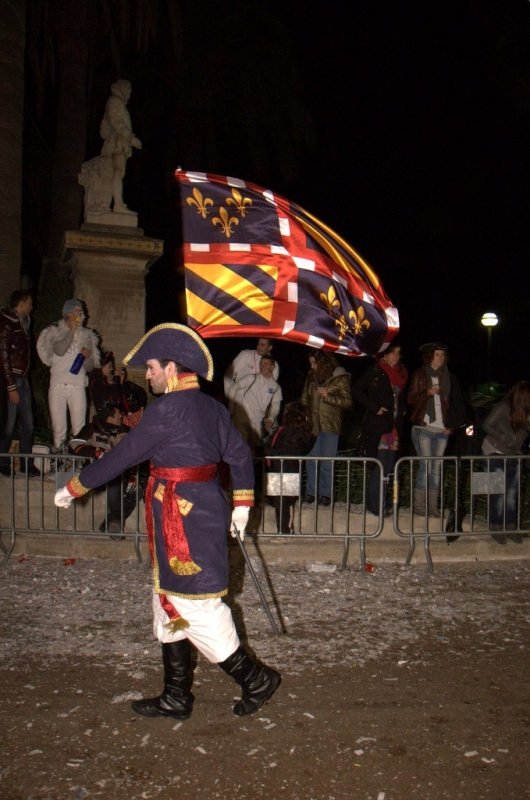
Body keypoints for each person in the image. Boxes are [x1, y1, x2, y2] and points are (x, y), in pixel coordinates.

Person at [54, 323, 280, 721]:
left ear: (173, 368)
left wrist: (75, 486)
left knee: (200, 607)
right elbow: (241, 456)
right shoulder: (212, 406)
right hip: (199, 511)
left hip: (185, 521)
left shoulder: (166, 409)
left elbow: (123, 457)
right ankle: (176, 696)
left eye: (154, 368)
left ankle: (256, 678)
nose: (150, 375)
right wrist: (242, 505)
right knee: (170, 602)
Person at [407, 342, 466, 517]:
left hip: (442, 430)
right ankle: (419, 506)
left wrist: (452, 427)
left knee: (436, 468)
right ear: (430, 356)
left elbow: (456, 405)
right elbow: (410, 399)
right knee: (425, 466)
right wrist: (427, 393)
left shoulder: (449, 376)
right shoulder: (419, 374)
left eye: (442, 355)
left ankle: (433, 507)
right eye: (437, 354)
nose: (440, 358)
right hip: (423, 427)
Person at [352, 342, 408, 515]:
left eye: (398, 353)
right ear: (384, 354)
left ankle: (381, 503)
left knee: (390, 467)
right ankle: (375, 506)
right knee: (380, 467)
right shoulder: (376, 370)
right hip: (379, 427)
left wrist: (403, 410)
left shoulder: (402, 373)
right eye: (393, 353)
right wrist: (374, 407)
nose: (396, 356)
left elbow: (399, 399)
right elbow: (356, 390)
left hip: (394, 427)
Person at [37, 300, 100, 450]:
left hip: (77, 386)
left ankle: (77, 463)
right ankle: (60, 462)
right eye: (78, 312)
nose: (82, 316)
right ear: (69, 314)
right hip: (57, 386)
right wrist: (71, 331)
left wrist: (86, 357)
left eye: (82, 312)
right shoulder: (54, 332)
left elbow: (90, 366)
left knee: (79, 429)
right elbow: (59, 350)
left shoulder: (86, 336)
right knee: (59, 430)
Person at [68, 404, 136, 536]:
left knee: (137, 490)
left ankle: (110, 524)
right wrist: (97, 452)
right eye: (118, 414)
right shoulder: (92, 428)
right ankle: (114, 526)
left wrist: (133, 476)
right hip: (97, 473)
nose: (122, 416)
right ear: (109, 418)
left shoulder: (125, 430)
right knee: (114, 477)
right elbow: (74, 443)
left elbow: (133, 454)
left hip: (121, 474)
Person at [301, 350, 352, 506]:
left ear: (323, 362)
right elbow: (304, 399)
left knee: (327, 462)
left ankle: (326, 495)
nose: (312, 366)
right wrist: (304, 418)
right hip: (313, 426)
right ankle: (310, 493)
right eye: (310, 363)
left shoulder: (340, 377)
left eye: (314, 363)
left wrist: (328, 397)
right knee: (311, 461)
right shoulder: (311, 378)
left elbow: (347, 401)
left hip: (331, 425)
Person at [481, 381, 530, 545]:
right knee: (498, 492)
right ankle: (496, 526)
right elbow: (487, 424)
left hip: (513, 453)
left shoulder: (524, 411)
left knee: (512, 492)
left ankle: (510, 526)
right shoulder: (504, 407)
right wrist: (503, 437)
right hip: (495, 450)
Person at [0, 290, 40, 477]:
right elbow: (4, 355)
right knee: (8, 425)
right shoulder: (8, 322)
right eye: (29, 303)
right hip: (13, 379)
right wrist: (10, 386)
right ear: (21, 303)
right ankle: (3, 461)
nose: (32, 307)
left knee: (28, 424)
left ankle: (27, 463)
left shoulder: (24, 323)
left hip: (23, 378)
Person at [265, 401, 315, 534]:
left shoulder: (294, 434)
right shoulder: (286, 431)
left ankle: (286, 531)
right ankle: (283, 530)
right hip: (279, 471)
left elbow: (284, 452)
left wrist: (266, 450)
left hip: (287, 472)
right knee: (279, 504)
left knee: (286, 504)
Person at [100, 79, 142, 214]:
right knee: (118, 171)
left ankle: (118, 202)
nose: (129, 94)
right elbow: (116, 121)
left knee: (117, 172)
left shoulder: (115, 102)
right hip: (117, 142)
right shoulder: (115, 101)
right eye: (128, 91)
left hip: (117, 141)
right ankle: (117, 204)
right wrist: (131, 138)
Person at [227, 354, 282, 447]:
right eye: (261, 364)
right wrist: (231, 408)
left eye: (265, 364)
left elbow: (276, 405)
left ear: (272, 367)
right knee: (241, 446)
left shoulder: (276, 387)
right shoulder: (252, 378)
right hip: (242, 416)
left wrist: (271, 418)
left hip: (257, 420)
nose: (262, 366)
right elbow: (233, 388)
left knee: (255, 449)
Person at [90, 351, 147, 428]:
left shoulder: (111, 381)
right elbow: (114, 396)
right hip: (108, 419)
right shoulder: (96, 383)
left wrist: (142, 409)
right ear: (101, 367)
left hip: (121, 416)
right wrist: (117, 380)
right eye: (109, 366)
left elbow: (140, 392)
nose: (112, 369)